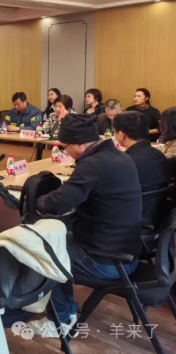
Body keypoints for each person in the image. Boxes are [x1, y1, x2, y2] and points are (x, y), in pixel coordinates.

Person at [29, 114, 141, 337]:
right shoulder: (120, 156)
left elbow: (57, 203)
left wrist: (37, 201)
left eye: (66, 146)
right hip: (127, 252)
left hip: (108, 260)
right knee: (56, 238)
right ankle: (65, 308)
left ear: (80, 144)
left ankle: (61, 319)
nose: (65, 151)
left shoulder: (93, 165)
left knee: (41, 248)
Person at [113, 112, 168, 193]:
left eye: (114, 132)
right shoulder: (159, 155)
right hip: (159, 201)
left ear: (121, 134)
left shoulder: (124, 162)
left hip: (132, 200)